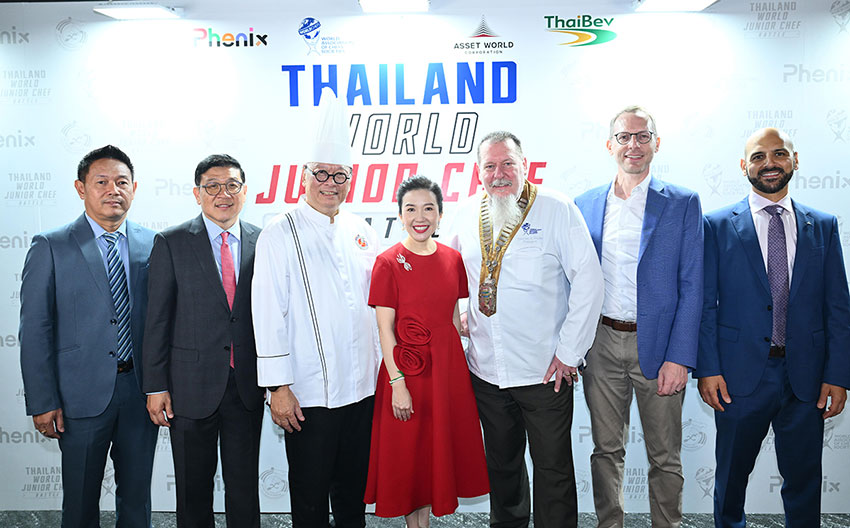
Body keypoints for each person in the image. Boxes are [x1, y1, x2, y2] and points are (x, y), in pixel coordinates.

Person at [447, 131, 604, 528]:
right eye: (489, 166)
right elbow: (450, 277)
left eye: (507, 164)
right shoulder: (464, 214)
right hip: (486, 369)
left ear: (525, 165)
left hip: (545, 371)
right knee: (502, 468)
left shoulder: (556, 208)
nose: (499, 174)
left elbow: (588, 281)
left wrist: (569, 353)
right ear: (478, 172)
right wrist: (460, 315)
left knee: (553, 470)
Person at [697, 127, 850, 528]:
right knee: (731, 479)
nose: (769, 163)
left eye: (779, 154)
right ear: (743, 166)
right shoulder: (715, 225)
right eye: (758, 156)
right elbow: (704, 305)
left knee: (804, 480)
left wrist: (837, 375)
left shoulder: (823, 225)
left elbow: (837, 307)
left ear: (795, 161)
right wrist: (708, 369)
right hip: (737, 376)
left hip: (806, 378)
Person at [252, 89, 380, 528]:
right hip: (308, 395)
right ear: (304, 176)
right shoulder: (279, 231)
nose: (330, 182)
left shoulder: (362, 230)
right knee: (309, 497)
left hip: (361, 391)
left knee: (352, 495)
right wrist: (277, 387)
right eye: (321, 173)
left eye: (339, 175)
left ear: (350, 179)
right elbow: (267, 314)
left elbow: (374, 309)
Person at [574, 106, 703, 528]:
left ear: (656, 143)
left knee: (665, 456)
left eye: (642, 136)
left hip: (660, 347)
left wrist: (680, 357)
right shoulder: (585, 204)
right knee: (605, 451)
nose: (634, 144)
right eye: (624, 137)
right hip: (600, 345)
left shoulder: (683, 202)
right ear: (609, 145)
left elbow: (693, 285)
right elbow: (572, 280)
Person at [19, 145, 158, 527]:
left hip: (140, 393)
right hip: (77, 398)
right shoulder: (51, 245)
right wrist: (43, 400)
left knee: (137, 500)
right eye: (102, 182)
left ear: (134, 189)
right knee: (80, 502)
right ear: (81, 188)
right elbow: (35, 329)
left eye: (122, 182)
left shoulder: (153, 244)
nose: (113, 190)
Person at [142, 154, 264, 527]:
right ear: (197, 194)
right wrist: (156, 385)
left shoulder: (263, 241)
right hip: (189, 387)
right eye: (212, 186)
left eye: (231, 185)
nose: (222, 194)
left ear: (244, 192)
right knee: (192, 490)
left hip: (246, 384)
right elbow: (157, 319)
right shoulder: (172, 242)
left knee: (244, 488)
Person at [364, 176, 489, 527]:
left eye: (428, 209)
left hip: (447, 374)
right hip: (406, 374)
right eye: (411, 209)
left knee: (436, 456)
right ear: (400, 216)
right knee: (410, 458)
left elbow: (451, 318)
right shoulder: (388, 262)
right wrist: (398, 384)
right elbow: (384, 329)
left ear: (440, 214)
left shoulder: (453, 259)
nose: (420, 217)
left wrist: (458, 370)